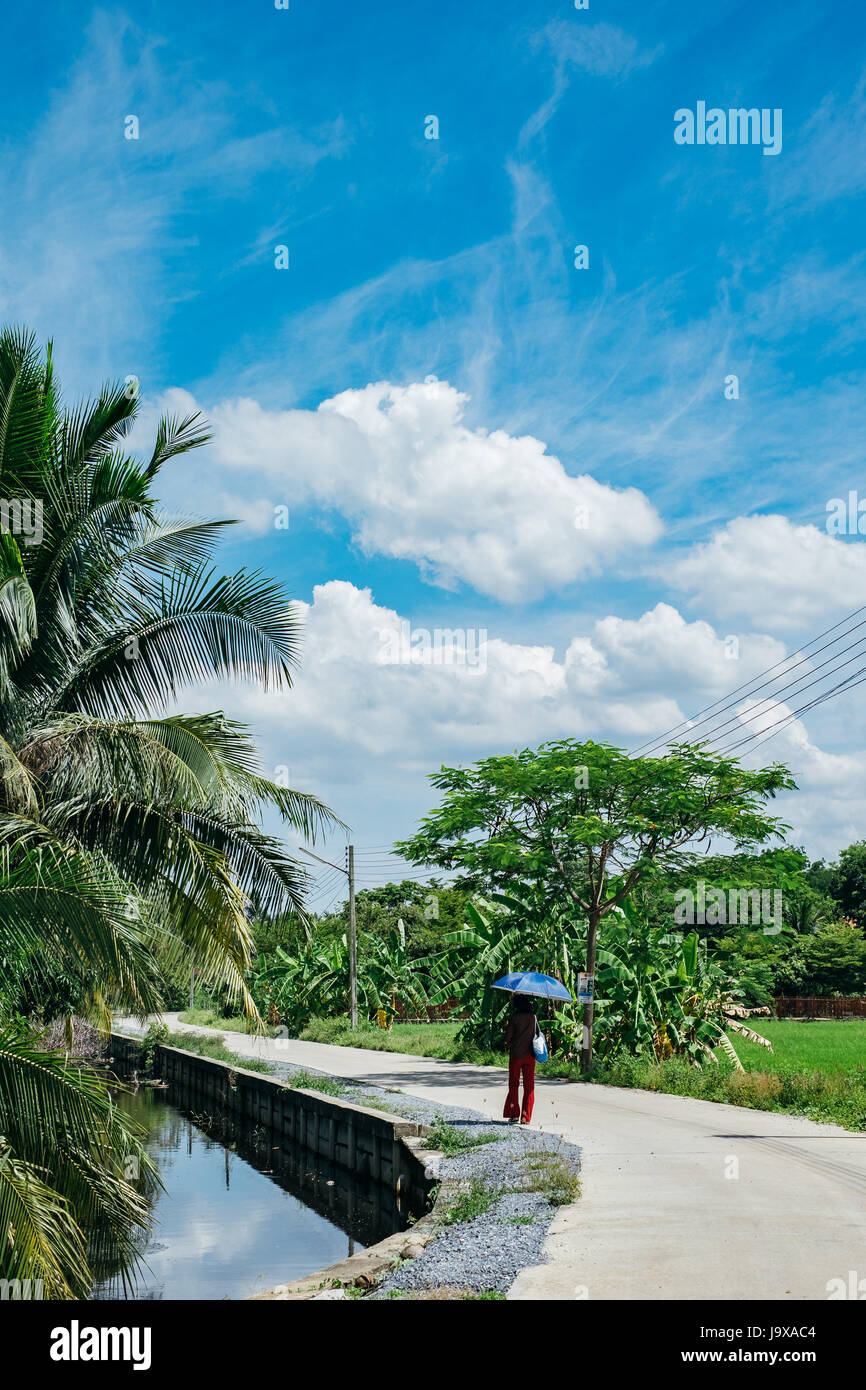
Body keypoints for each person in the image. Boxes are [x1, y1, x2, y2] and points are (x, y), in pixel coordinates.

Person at [503, 995, 537, 1125]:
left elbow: (508, 1038)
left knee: (514, 1085)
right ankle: (525, 1118)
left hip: (516, 1055)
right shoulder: (533, 1018)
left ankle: (513, 1115)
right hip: (530, 1055)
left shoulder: (514, 1018)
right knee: (529, 1087)